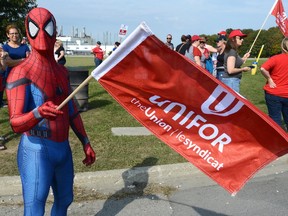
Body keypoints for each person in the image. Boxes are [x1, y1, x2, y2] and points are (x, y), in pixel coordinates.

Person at [5, 8, 96, 215]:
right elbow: (15, 123)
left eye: (47, 28)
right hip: (36, 148)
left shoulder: (62, 72)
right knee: (35, 205)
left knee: (65, 199)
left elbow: (72, 110)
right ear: (28, 32)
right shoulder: (22, 72)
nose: (42, 35)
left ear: (55, 30)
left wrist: (85, 141)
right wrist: (38, 113)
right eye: (35, 29)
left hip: (62, 148)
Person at [260, 38, 288, 130]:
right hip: (285, 93)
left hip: (273, 93)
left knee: (275, 119)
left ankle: (277, 141)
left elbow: (263, 68)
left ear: (282, 47)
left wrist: (269, 79)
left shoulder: (276, 58)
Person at [2, 24, 30, 108]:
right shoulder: (5, 47)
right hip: (10, 77)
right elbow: (8, 62)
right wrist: (22, 60)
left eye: (16, 33)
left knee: (24, 99)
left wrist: (14, 61)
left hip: (24, 76)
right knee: (13, 101)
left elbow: (29, 60)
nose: (14, 35)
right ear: (8, 35)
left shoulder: (25, 47)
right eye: (12, 33)